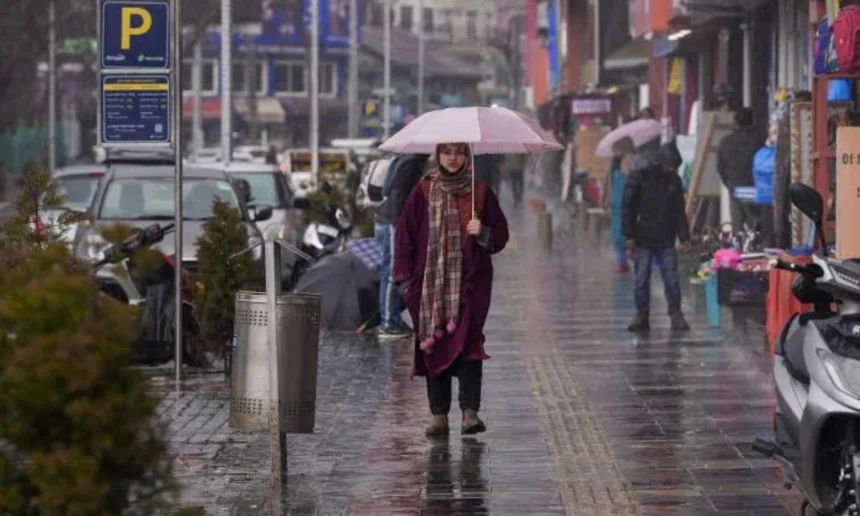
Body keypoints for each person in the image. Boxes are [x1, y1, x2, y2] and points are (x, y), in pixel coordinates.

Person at [393, 143, 509, 436]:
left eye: (459, 152)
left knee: (470, 344)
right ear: (439, 156)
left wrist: (482, 232)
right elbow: (404, 236)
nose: (453, 158)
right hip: (429, 286)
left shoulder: (480, 192)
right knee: (435, 343)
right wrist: (404, 280)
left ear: (467, 156)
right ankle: (439, 415)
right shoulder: (422, 192)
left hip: (471, 285)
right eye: (447, 152)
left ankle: (470, 413)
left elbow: (501, 234)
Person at [622, 142, 691, 332]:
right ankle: (641, 314)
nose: (672, 169)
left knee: (671, 277)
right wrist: (629, 234)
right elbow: (628, 207)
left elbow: (679, 211)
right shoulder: (639, 177)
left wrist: (684, 236)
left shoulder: (673, 181)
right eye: (670, 165)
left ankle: (675, 313)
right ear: (661, 162)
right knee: (641, 278)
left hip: (665, 238)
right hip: (643, 238)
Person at [375, 153, 429, 340]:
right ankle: (388, 322)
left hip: (387, 220)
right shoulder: (411, 162)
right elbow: (396, 192)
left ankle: (393, 319)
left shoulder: (405, 159)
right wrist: (399, 225)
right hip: (392, 221)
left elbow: (387, 189)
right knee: (391, 273)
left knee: (392, 272)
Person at [716, 107, 762, 229]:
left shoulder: (725, 142)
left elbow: (720, 167)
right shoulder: (759, 140)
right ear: (752, 121)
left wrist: (730, 183)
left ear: (735, 121)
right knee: (755, 225)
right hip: (753, 186)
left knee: (737, 225)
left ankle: (737, 245)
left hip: (734, 186)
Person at [607, 137, 637, 274]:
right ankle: (631, 252)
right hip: (628, 205)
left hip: (616, 206)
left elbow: (609, 188)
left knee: (618, 240)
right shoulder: (633, 162)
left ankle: (621, 264)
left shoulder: (614, 169)